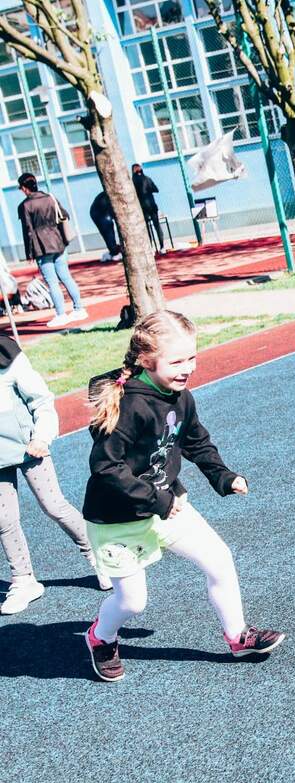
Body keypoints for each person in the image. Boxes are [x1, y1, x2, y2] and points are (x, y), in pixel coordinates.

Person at [81, 310, 283, 682]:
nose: (187, 368)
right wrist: (157, 500)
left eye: (191, 357)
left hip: (168, 506)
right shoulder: (130, 405)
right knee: (132, 602)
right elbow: (106, 468)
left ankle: (238, 636)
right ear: (146, 360)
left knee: (219, 559)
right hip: (118, 519)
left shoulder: (181, 397)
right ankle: (101, 637)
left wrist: (223, 476)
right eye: (176, 361)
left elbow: (195, 441)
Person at [0, 335, 108, 615]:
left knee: (53, 505)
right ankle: (24, 580)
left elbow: (41, 400)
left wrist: (42, 436)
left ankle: (98, 555)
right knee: (4, 519)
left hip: (29, 447)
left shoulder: (8, 356)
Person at [16, 173, 87, 329]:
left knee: (52, 282)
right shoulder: (50, 198)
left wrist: (29, 253)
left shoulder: (25, 206)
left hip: (41, 246)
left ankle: (61, 315)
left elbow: (28, 230)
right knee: (66, 277)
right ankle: (79, 309)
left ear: (24, 188)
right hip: (59, 242)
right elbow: (65, 215)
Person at [131, 164, 166, 254]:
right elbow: (156, 189)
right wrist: (149, 189)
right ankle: (162, 247)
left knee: (146, 228)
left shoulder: (133, 181)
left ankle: (150, 248)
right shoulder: (147, 178)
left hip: (142, 207)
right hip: (152, 205)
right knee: (157, 226)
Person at [89, 190, 122, 261]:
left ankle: (114, 250)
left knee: (108, 229)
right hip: (99, 212)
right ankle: (114, 251)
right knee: (108, 231)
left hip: (101, 210)